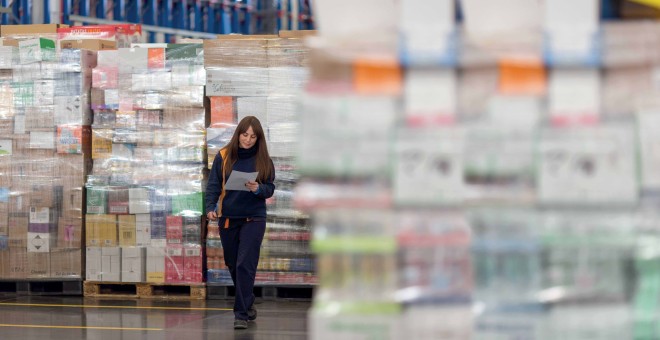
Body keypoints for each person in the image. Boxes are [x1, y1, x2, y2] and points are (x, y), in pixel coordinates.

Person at [205, 116, 275, 330]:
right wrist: (210, 208)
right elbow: (214, 185)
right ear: (238, 134)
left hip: (254, 218)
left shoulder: (263, 159)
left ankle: (241, 314)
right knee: (233, 263)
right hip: (228, 218)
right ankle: (248, 300)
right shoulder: (224, 156)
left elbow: (270, 188)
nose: (248, 139)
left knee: (245, 263)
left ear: (258, 138)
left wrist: (258, 189)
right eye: (245, 135)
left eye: (253, 136)